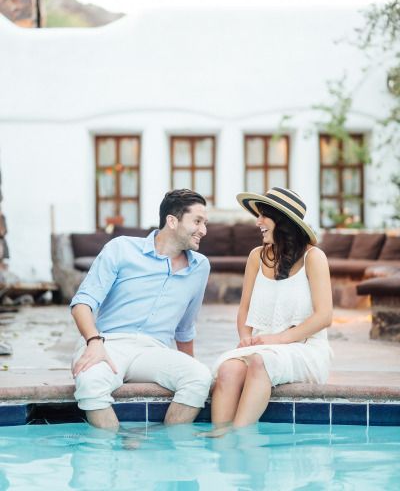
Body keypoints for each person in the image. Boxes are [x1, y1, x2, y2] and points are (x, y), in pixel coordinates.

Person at [70, 189, 212, 432]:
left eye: (204, 223)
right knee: (89, 382)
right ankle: (113, 450)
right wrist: (93, 342)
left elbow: (185, 328)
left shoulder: (200, 267)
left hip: (153, 350)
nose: (204, 230)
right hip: (108, 343)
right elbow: (82, 303)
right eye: (197, 221)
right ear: (172, 221)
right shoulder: (121, 248)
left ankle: (164, 448)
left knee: (199, 376)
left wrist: (184, 367)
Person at [206, 186, 333, 437]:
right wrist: (244, 337)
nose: (258, 222)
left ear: (283, 221)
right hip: (261, 345)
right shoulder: (256, 257)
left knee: (260, 362)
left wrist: (277, 339)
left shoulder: (314, 258)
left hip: (303, 349)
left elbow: (324, 316)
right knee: (229, 368)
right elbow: (244, 309)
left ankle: (240, 436)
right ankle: (219, 438)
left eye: (264, 215)